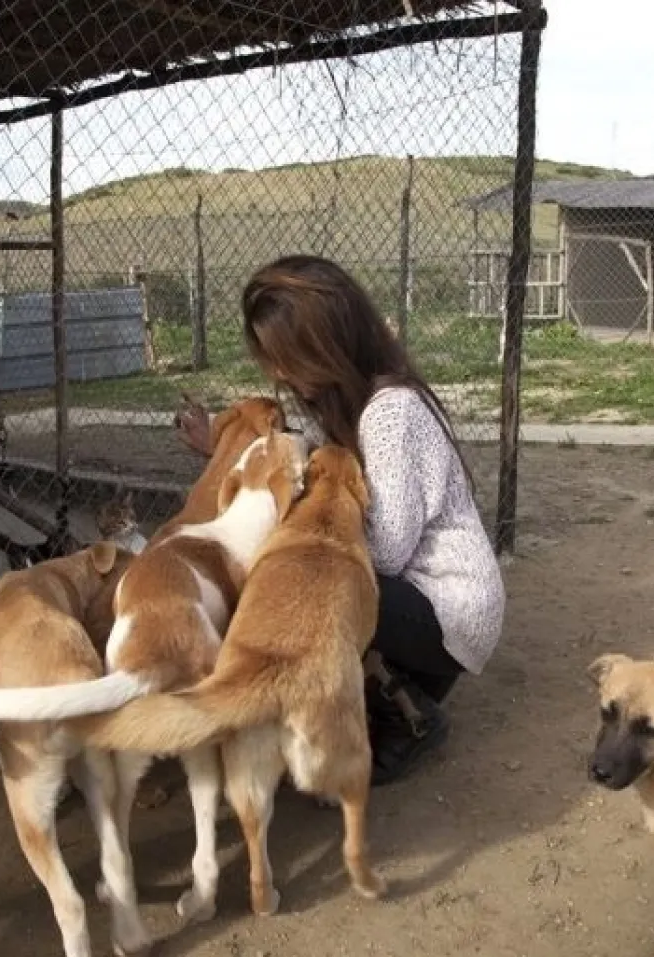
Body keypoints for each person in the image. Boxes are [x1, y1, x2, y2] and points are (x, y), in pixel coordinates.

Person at [173, 255, 505, 786]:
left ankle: (409, 715)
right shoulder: (358, 400)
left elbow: (387, 551)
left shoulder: (390, 412)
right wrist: (223, 451)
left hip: (447, 612)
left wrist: (284, 529)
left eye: (286, 357)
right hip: (415, 604)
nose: (278, 373)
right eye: (270, 361)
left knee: (305, 578)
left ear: (325, 341)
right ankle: (389, 696)